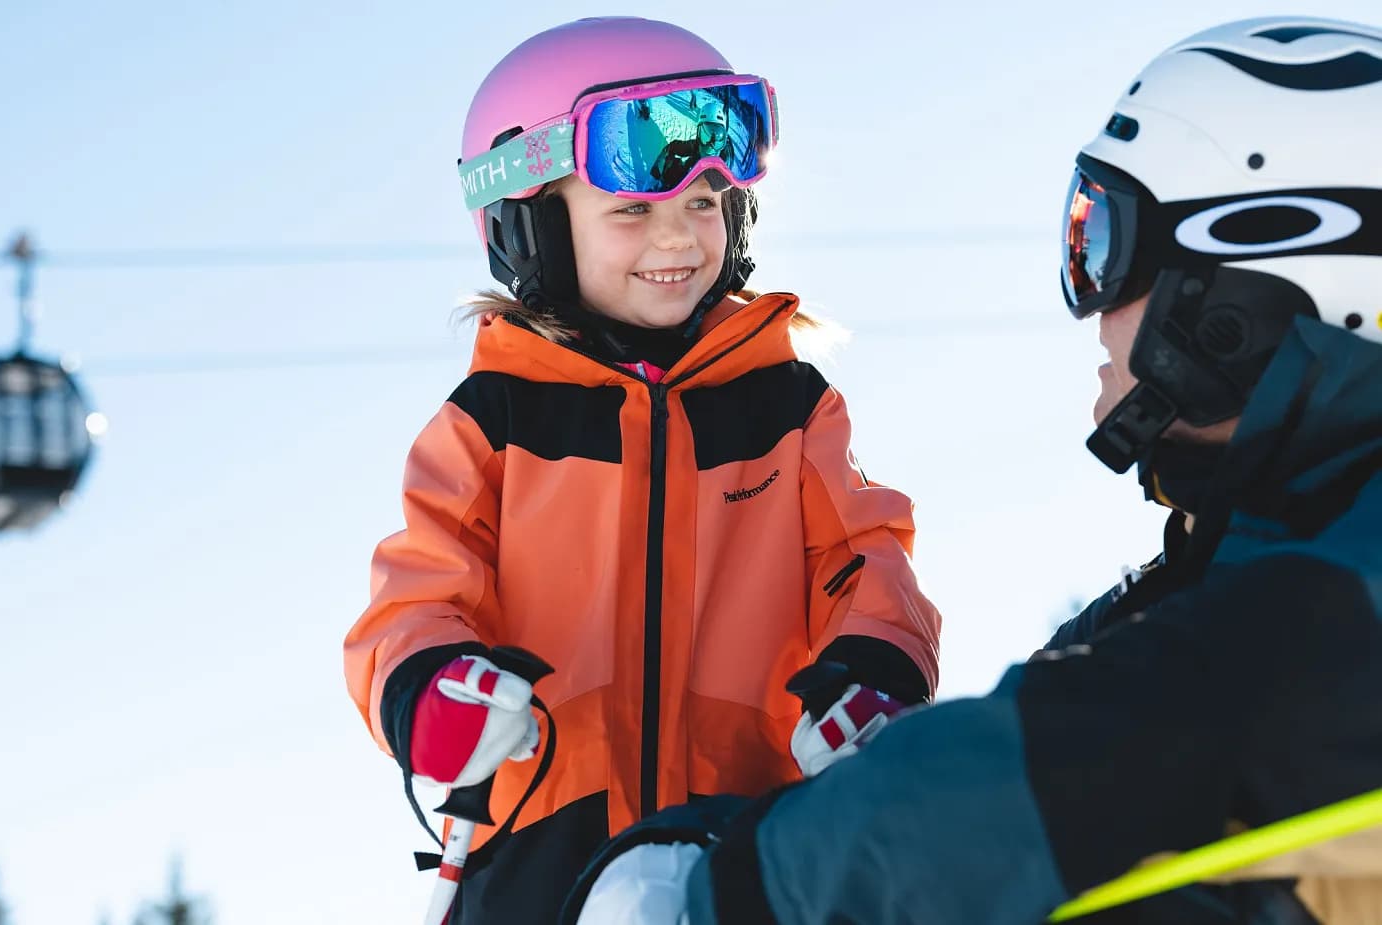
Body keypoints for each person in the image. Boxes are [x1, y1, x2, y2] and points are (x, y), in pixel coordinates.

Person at [570, 15, 1382, 924]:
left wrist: (736, 883)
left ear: (1245, 289)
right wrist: (734, 834)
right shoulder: (1220, 573)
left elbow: (1078, 757)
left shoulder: (1324, 605)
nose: (1090, 310)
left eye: (1101, 244)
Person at [341, 16, 943, 924]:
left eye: (704, 203)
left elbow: (865, 558)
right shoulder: (495, 423)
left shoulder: (786, 406)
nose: (678, 239)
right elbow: (419, 589)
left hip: (750, 832)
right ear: (532, 220)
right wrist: (432, 684)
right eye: (632, 210)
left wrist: (872, 671)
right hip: (542, 850)